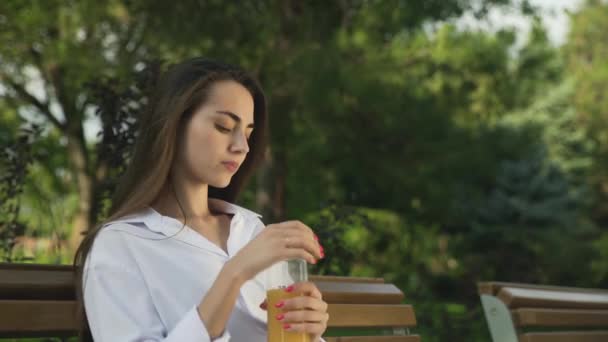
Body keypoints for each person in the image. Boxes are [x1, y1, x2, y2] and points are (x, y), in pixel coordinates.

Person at [73, 57, 329, 341]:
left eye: (247, 133)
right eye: (223, 126)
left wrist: (309, 329)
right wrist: (234, 274)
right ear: (174, 123)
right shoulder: (120, 244)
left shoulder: (250, 230)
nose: (241, 147)